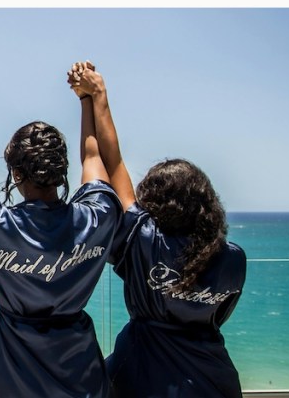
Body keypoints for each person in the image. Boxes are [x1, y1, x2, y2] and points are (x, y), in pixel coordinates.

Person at [0, 73, 124, 398]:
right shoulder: (96, 218)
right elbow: (94, 159)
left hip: (9, 374)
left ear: (16, 173)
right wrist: (86, 100)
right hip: (79, 375)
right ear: (60, 171)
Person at [68, 61, 246, 398]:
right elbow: (217, 317)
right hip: (214, 380)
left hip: (141, 375)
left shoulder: (142, 240)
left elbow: (111, 162)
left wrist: (92, 97)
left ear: (154, 203)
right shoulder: (233, 259)